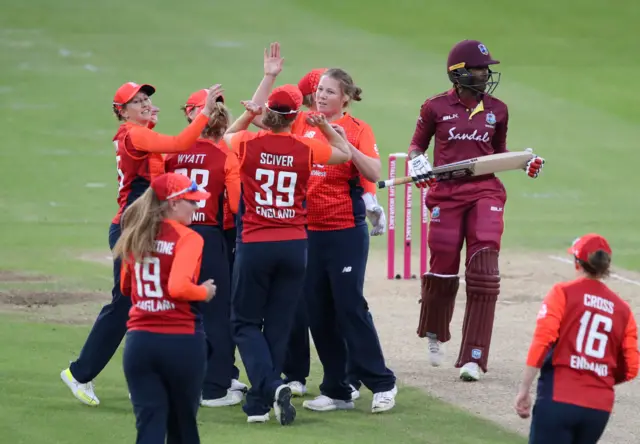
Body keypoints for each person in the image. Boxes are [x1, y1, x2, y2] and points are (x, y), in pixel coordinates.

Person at [60, 81, 224, 406]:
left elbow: (156, 167)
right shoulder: (133, 134)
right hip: (132, 226)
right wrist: (204, 115)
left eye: (146, 98)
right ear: (122, 111)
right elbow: (180, 142)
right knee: (128, 303)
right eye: (137, 102)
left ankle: (139, 377)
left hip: (138, 224)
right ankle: (82, 373)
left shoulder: (136, 133)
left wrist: (149, 122)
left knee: (142, 300)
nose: (145, 104)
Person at [410, 39, 545, 381]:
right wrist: (418, 162)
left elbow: (499, 153)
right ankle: (435, 331)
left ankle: (474, 357)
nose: (485, 74)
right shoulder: (435, 107)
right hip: (446, 193)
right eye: (478, 68)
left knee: (484, 271)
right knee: (442, 262)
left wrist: (523, 163)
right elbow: (416, 147)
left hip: (485, 191)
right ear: (459, 73)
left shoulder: (498, 109)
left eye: (486, 68)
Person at [223, 84, 352, 425]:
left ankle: (269, 384)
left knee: (244, 322)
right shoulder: (305, 146)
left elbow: (227, 134)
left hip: (256, 243)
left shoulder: (248, 142)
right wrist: (324, 125)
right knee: (278, 326)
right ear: (295, 118)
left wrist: (250, 112)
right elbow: (344, 154)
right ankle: (258, 405)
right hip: (295, 244)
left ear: (267, 114)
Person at [280, 68, 397, 414]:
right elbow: (265, 121)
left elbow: (374, 173)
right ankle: (337, 389)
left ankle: (383, 383)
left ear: (345, 97)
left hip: (345, 230)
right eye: (319, 90)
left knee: (349, 307)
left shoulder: (359, 129)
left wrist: (338, 138)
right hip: (308, 232)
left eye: (330, 91)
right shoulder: (302, 123)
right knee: (319, 312)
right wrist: (271, 77)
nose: (322, 96)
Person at [114, 172, 216, 443]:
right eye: (191, 202)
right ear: (173, 203)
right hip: (180, 342)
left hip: (140, 343)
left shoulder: (136, 234)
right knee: (183, 427)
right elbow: (179, 288)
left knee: (149, 425)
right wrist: (203, 291)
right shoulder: (188, 238)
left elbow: (126, 287)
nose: (197, 207)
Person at [514, 233, 639, 443]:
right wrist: (601, 376)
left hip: (558, 399)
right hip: (599, 408)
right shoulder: (623, 310)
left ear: (577, 263)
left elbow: (542, 341)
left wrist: (524, 389)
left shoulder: (562, 293)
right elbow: (631, 367)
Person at [165, 89, 246, 407]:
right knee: (216, 312)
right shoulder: (224, 156)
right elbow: (238, 204)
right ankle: (214, 388)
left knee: (175, 311)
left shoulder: (173, 153)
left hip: (172, 236)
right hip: (208, 238)